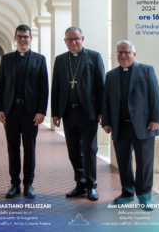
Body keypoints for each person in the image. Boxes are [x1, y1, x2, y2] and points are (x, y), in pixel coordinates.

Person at [102, 40, 159, 211]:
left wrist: (156, 119)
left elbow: (154, 96)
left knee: (144, 163)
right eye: (119, 53)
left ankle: (144, 197)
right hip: (120, 126)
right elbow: (106, 100)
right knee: (123, 162)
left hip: (144, 126)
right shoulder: (111, 75)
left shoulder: (146, 70)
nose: (123, 55)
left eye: (126, 52)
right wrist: (106, 121)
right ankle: (127, 193)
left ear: (133, 54)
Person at [51, 26, 105, 201]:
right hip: (68, 113)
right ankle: (80, 183)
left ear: (82, 39)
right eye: (69, 39)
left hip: (88, 112)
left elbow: (101, 85)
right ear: (65, 41)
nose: (73, 42)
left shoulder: (94, 57)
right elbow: (56, 88)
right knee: (74, 151)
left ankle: (91, 185)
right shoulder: (60, 60)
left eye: (76, 39)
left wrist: (102, 111)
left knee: (89, 150)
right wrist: (55, 113)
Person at [0, 24, 48, 199]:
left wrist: (41, 111)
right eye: (20, 36)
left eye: (26, 36)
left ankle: (28, 184)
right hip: (10, 111)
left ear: (30, 39)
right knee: (13, 148)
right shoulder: (7, 59)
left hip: (30, 112)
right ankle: (14, 184)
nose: (23, 39)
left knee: (30, 148)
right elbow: (0, 86)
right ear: (15, 39)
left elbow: (44, 88)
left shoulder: (39, 59)